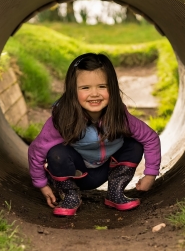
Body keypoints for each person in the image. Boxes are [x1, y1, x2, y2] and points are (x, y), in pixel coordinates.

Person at [28, 53, 161, 216]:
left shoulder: (119, 116)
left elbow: (150, 138)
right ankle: (70, 196)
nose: (94, 94)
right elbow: (37, 150)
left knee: (134, 145)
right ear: (72, 91)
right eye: (85, 88)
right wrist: (42, 185)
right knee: (56, 153)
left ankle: (115, 193)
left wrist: (150, 175)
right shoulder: (64, 119)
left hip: (106, 169)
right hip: (76, 173)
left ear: (112, 87)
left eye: (102, 86)